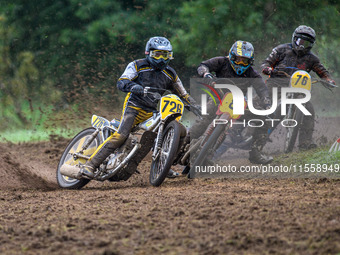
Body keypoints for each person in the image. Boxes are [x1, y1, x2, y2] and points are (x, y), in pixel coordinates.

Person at [80, 36, 197, 179]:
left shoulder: (171, 74)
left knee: (156, 139)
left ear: (170, 56)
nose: (161, 59)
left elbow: (183, 94)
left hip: (153, 112)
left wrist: (196, 106)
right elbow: (122, 81)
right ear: (148, 53)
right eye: (157, 54)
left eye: (165, 55)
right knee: (121, 135)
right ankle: (90, 165)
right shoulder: (137, 65)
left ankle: (164, 165)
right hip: (134, 107)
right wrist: (136, 87)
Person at [189, 40, 273, 165]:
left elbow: (262, 88)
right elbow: (203, 66)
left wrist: (266, 101)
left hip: (238, 103)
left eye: (244, 61)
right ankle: (180, 144)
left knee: (264, 118)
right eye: (238, 59)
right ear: (231, 56)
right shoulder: (221, 62)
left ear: (250, 62)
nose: (240, 63)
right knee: (204, 121)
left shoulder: (252, 73)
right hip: (218, 98)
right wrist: (206, 74)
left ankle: (256, 152)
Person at [261, 25, 336, 150]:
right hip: (276, 84)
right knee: (260, 102)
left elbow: (323, 72)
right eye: (299, 41)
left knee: (309, 110)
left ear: (311, 44)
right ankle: (240, 129)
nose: (301, 45)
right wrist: (268, 68)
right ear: (294, 38)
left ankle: (305, 143)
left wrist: (328, 80)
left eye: (306, 43)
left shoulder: (312, 58)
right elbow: (266, 62)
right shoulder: (281, 50)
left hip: (297, 89)